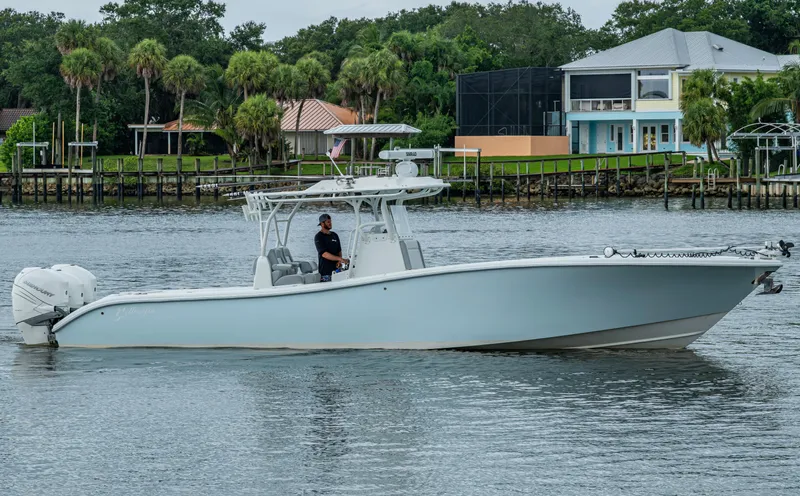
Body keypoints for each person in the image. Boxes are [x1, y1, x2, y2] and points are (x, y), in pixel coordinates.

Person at [314, 214, 349, 282]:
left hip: (337, 271)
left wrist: (339, 261)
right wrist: (340, 259)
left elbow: (339, 250)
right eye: (328, 222)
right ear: (322, 224)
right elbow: (324, 254)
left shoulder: (335, 235)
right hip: (325, 273)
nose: (330, 223)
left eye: (330, 221)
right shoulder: (318, 237)